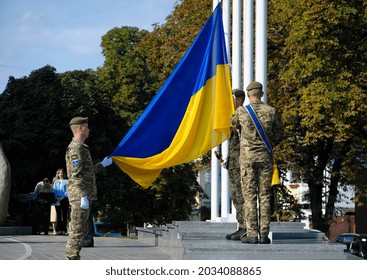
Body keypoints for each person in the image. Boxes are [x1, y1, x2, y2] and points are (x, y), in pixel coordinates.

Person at [231, 81, 284, 244]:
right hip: (265, 158)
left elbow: (233, 126)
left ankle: (252, 234)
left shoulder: (241, 112)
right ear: (261, 94)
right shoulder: (272, 112)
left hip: (247, 159)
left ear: (248, 94)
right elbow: (279, 134)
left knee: (249, 196)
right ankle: (264, 235)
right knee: (265, 196)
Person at [65, 116, 112, 260]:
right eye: (86, 126)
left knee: (82, 228)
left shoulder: (81, 147)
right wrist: (82, 195)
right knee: (77, 228)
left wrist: (102, 165)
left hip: (83, 194)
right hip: (80, 196)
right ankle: (72, 257)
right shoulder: (76, 148)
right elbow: (75, 174)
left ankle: (74, 255)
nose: (89, 129)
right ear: (80, 128)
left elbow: (87, 171)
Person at [225, 88, 247, 240]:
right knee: (237, 196)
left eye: (230, 98)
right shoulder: (237, 116)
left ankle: (245, 227)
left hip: (240, 162)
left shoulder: (241, 116)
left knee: (241, 196)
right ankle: (243, 226)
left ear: (238, 100)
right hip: (234, 161)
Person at [52, 168, 69, 235]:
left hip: (65, 199)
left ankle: (64, 230)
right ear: (58, 174)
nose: (61, 174)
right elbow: (54, 190)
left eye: (62, 172)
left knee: (65, 215)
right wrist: (56, 197)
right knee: (58, 214)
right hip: (57, 199)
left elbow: (68, 190)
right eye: (59, 173)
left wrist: (64, 196)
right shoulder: (56, 182)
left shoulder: (67, 181)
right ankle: (59, 229)